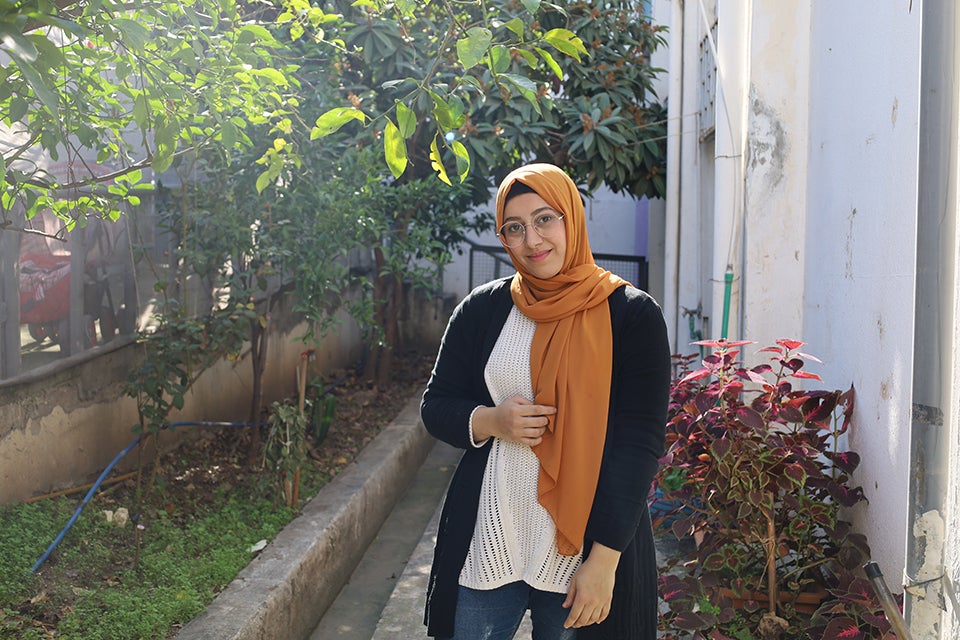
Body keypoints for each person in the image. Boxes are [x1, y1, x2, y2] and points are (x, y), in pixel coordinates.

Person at [420, 163, 671, 640]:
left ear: (571, 218)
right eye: (514, 228)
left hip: (582, 551)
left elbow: (640, 445)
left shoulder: (632, 315)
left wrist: (605, 561)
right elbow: (436, 405)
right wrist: (491, 420)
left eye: (544, 219)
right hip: (492, 537)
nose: (532, 240)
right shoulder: (482, 310)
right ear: (504, 238)